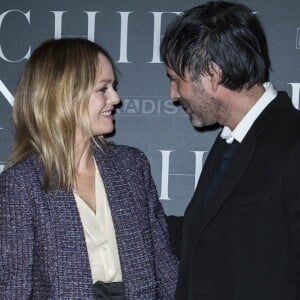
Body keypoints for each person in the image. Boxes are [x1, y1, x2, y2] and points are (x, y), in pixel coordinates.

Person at [0, 38, 178, 300]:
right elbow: (13, 289)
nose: (116, 99)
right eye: (103, 89)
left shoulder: (131, 167)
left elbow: (165, 269)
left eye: (113, 87)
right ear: (65, 95)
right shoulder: (21, 185)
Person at [160, 1, 300, 299]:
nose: (172, 95)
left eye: (175, 79)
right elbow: (207, 237)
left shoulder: (293, 141)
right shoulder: (229, 142)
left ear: (212, 74)